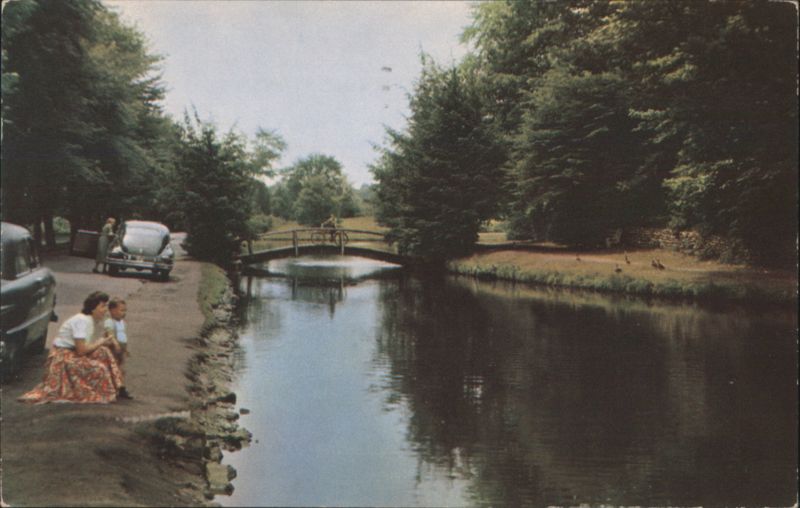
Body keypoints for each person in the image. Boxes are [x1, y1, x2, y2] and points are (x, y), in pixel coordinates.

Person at [19, 291, 131, 404]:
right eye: (102, 307)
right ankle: (103, 392)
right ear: (93, 308)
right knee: (100, 368)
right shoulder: (82, 321)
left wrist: (102, 343)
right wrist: (100, 342)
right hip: (63, 358)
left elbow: (84, 347)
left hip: (72, 353)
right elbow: (82, 350)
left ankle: (119, 387)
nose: (105, 310)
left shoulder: (90, 321)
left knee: (104, 352)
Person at [104, 297, 129, 371]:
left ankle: (118, 375)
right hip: (113, 347)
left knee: (120, 363)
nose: (124, 313)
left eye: (125, 310)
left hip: (121, 347)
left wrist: (125, 349)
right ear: (113, 311)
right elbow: (110, 334)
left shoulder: (122, 322)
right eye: (122, 310)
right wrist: (115, 343)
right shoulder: (110, 322)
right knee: (112, 363)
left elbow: (123, 336)